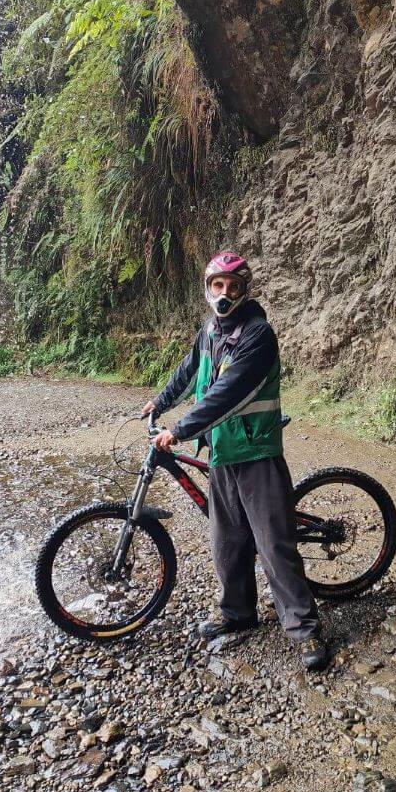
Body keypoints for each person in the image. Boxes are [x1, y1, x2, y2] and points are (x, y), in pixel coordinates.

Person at [141, 251, 329, 672]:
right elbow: (190, 369)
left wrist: (180, 429)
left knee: (274, 545)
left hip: (256, 451)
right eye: (217, 286)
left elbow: (229, 393)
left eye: (232, 286)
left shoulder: (257, 335)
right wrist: (162, 400)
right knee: (227, 542)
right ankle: (239, 613)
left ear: (245, 289)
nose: (224, 294)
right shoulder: (210, 329)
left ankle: (305, 629)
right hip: (223, 452)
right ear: (208, 288)